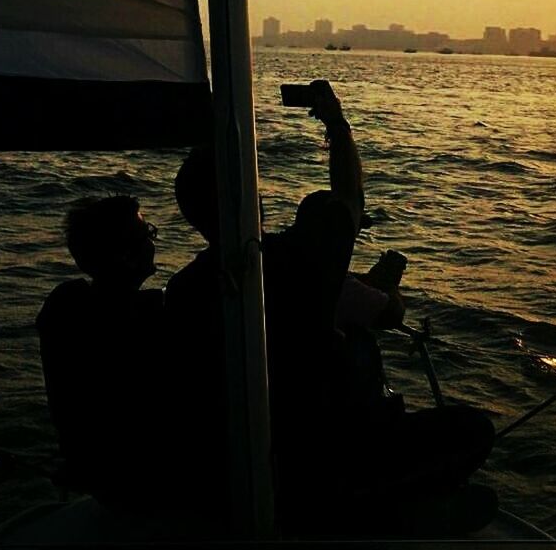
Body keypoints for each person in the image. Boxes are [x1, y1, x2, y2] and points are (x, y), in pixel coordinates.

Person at [167, 81, 496, 535]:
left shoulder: (182, 290)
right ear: (251, 199)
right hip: (327, 456)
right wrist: (335, 122)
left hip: (240, 465)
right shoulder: (295, 263)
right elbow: (348, 197)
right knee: (472, 430)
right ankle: (379, 509)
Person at [36, 194, 169, 512]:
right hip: (143, 482)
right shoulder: (146, 318)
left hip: (97, 478)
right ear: (125, 256)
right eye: (147, 233)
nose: (153, 241)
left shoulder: (65, 306)